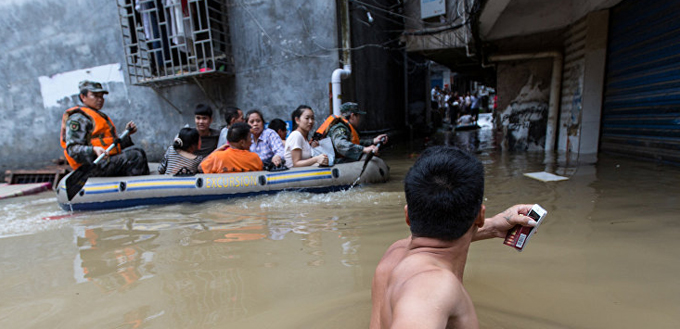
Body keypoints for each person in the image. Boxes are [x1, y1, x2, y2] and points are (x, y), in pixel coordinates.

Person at [370, 146, 538, 329]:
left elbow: (434, 242)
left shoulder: (394, 256)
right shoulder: (434, 287)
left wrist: (494, 227)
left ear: (407, 216)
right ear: (480, 216)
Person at [60, 80, 149, 177]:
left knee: (138, 152)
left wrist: (126, 134)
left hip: (103, 162)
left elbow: (108, 144)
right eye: (95, 96)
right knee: (135, 156)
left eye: (101, 96)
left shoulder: (96, 115)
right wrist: (93, 150)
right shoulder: (78, 119)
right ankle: (136, 189)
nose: (100, 99)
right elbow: (72, 149)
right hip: (90, 167)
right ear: (83, 97)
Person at [315, 102, 388, 163]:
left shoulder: (345, 127)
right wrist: (364, 149)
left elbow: (353, 143)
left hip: (336, 158)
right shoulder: (340, 128)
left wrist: (373, 141)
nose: (359, 119)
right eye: (358, 116)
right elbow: (340, 145)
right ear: (352, 116)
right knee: (368, 159)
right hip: (333, 161)